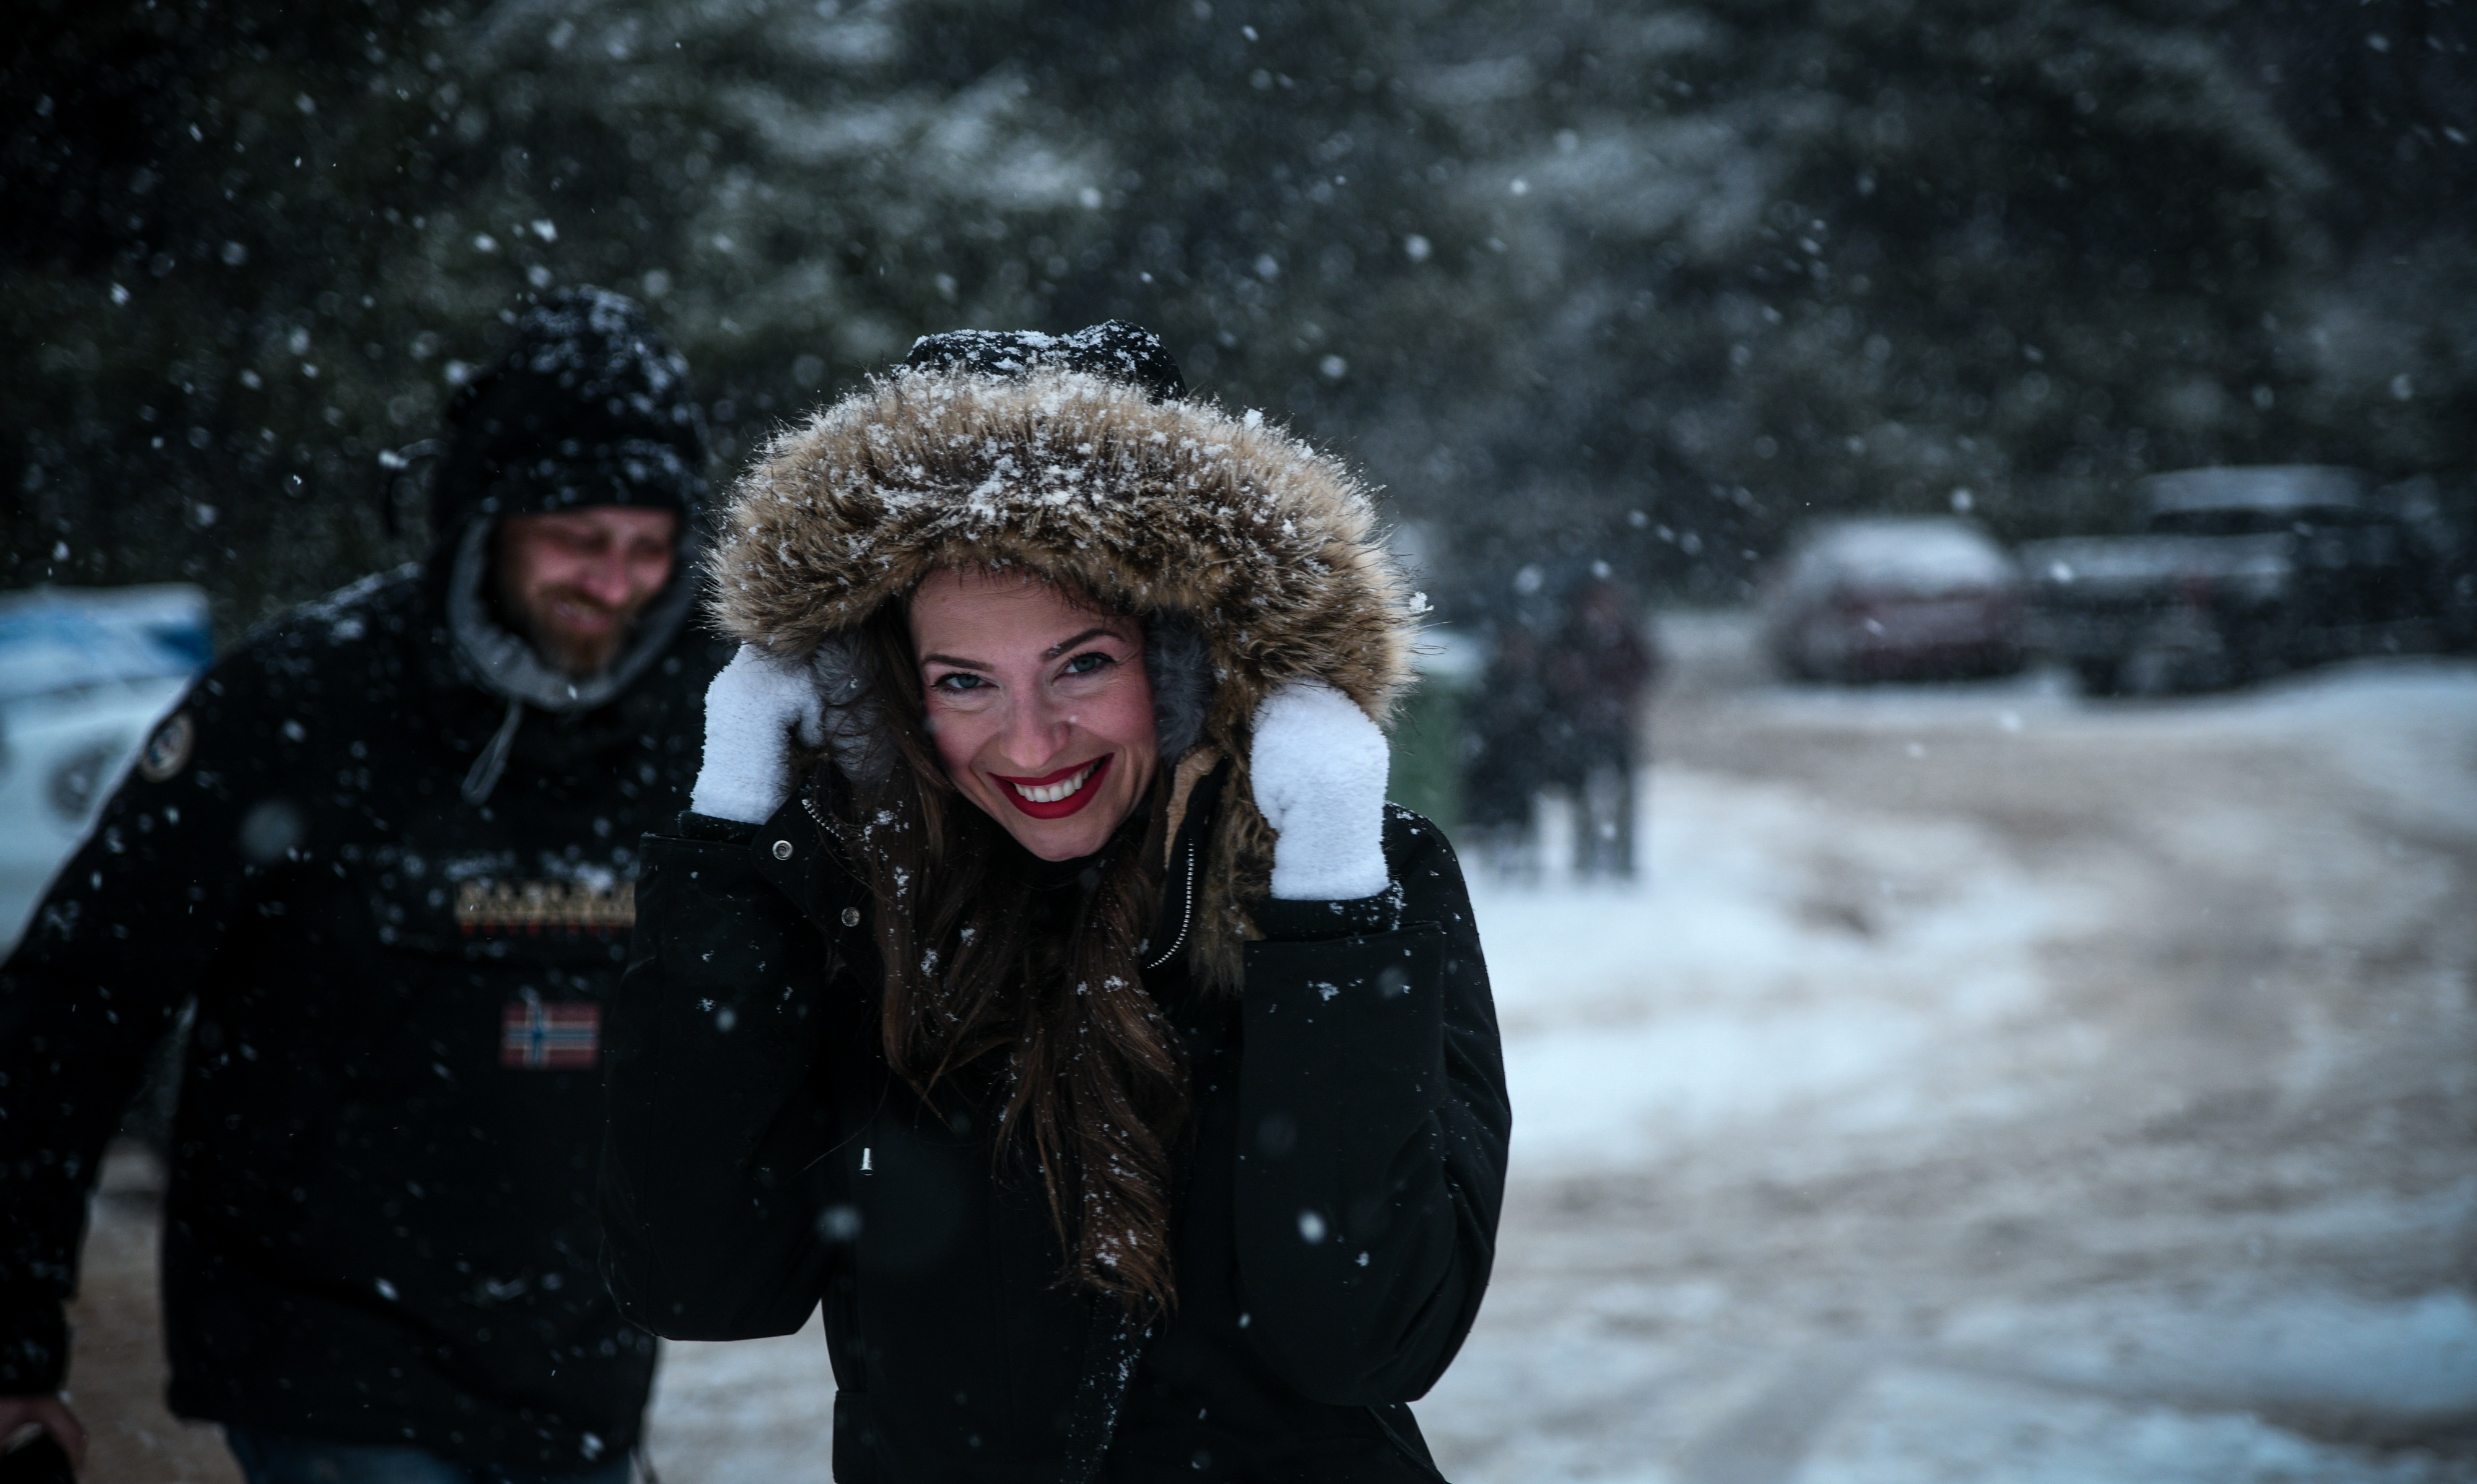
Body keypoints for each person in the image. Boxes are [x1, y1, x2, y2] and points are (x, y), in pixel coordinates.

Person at [598, 323, 1511, 1482]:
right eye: (963, 682)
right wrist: (733, 839)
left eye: (1084, 663)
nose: (1029, 742)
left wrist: (1322, 893)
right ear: (888, 695)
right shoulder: (846, 905)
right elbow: (700, 1278)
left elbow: (1369, 1333)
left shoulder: (1352, 885)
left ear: (1186, 666)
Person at [0, 287, 723, 1482]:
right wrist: (16, 1334)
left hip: (579, 1364)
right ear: (479, 517)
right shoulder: (300, 703)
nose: (616, 583)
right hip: (330, 1357)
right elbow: (78, 1000)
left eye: (649, 547)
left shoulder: (706, 720)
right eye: (577, 539)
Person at [1541, 574, 1658, 879]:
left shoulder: (1627, 634)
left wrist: (1619, 697)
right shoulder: (1570, 635)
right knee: (1582, 792)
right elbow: (1552, 672)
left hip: (1617, 724)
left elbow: (1648, 666)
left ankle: (1623, 859)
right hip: (1580, 725)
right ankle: (1585, 854)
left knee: (1624, 792)